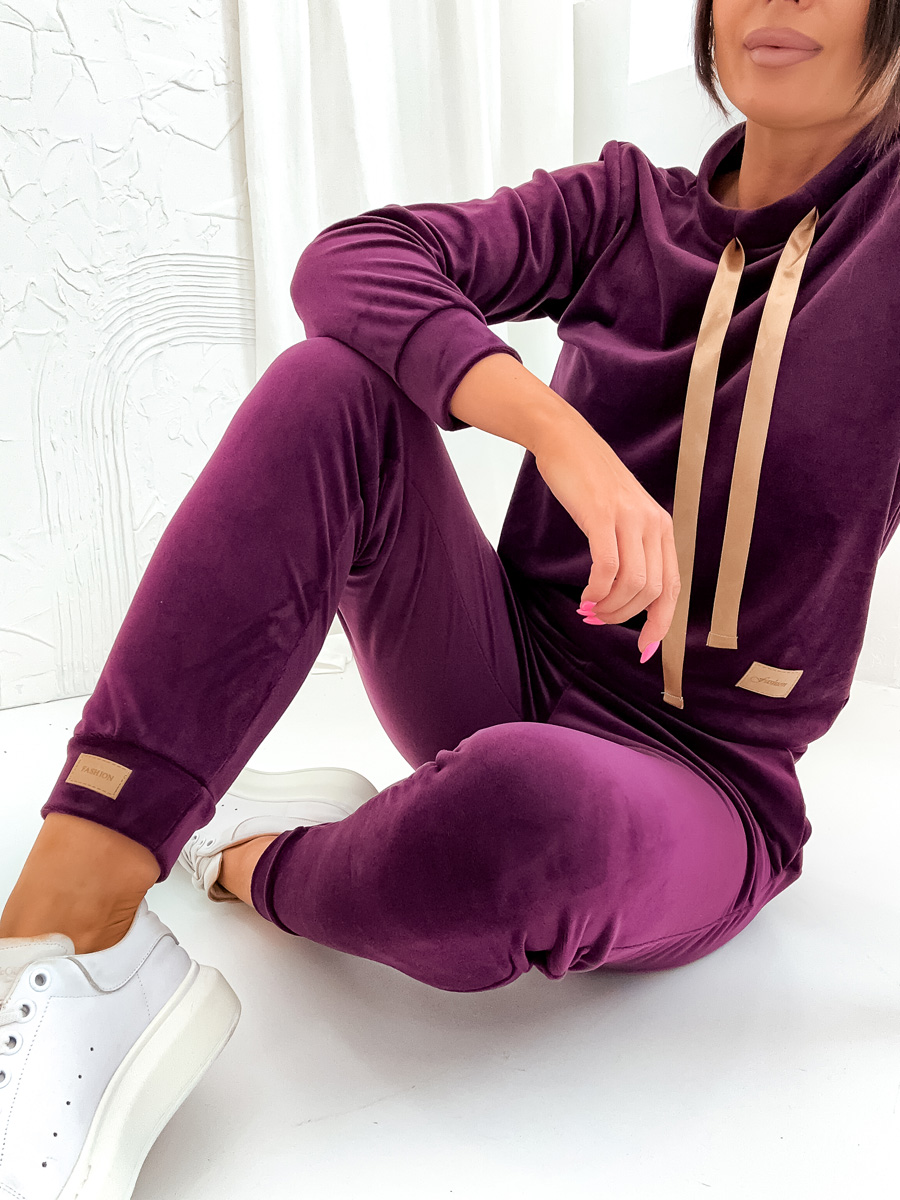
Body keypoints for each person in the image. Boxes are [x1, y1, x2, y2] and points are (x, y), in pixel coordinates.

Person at [3, 1, 900, 1196]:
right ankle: (71, 933)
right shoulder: (626, 212)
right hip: (498, 663)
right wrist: (555, 431)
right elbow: (350, 259)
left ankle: (256, 859)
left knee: (534, 815)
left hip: (701, 787)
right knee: (328, 386)